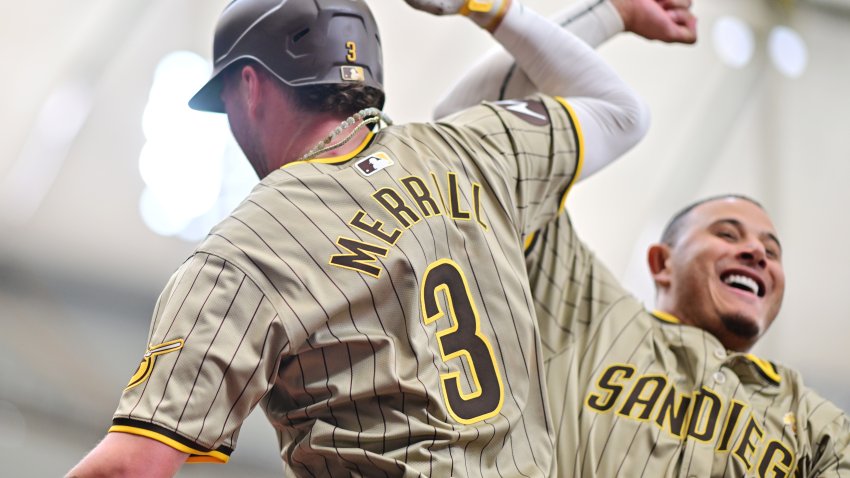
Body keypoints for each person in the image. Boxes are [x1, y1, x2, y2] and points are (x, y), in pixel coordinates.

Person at [66, 0, 652, 476]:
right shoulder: (466, 150)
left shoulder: (248, 246)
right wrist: (496, 8)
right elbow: (622, 111)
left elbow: (131, 467)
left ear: (249, 85)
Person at [436, 1, 850, 476]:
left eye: (771, 252)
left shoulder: (817, 425)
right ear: (661, 262)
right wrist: (614, 12)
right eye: (727, 234)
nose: (756, 252)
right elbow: (472, 145)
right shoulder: (583, 312)